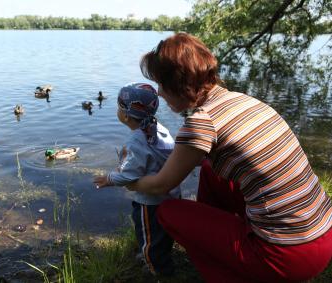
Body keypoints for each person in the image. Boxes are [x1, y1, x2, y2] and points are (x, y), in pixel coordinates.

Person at [127, 33, 332, 283]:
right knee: (211, 172)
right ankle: (222, 246)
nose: (158, 93)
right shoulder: (244, 100)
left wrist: (129, 182)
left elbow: (161, 184)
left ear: (177, 83)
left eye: (160, 84)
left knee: (168, 211)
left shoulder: (202, 123)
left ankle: (227, 273)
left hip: (284, 255)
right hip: (323, 235)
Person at [93, 83, 181, 276]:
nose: (117, 111)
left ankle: (157, 270)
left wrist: (109, 179)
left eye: (119, 107)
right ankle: (157, 256)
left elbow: (128, 175)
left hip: (149, 203)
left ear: (125, 115)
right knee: (162, 234)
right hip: (170, 195)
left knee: (148, 234)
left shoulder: (136, 141)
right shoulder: (159, 129)